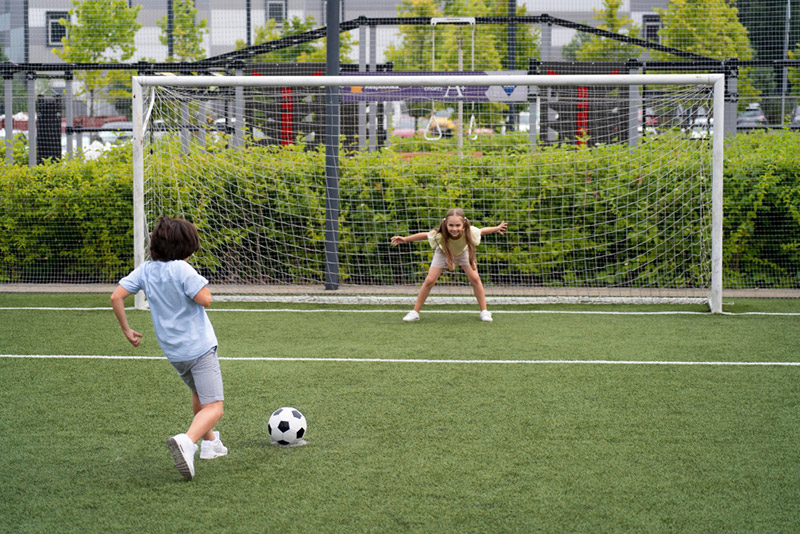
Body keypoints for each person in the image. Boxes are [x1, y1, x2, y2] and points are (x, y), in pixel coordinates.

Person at [110, 216, 226, 481]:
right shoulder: (183, 270)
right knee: (216, 407)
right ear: (186, 248)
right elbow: (205, 299)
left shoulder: (146, 270)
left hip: (175, 353)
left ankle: (211, 444)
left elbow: (116, 296)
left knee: (200, 394)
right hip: (199, 348)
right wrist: (199, 283)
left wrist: (127, 330)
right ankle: (188, 441)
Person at [391, 208, 508, 322]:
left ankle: (484, 311)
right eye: (451, 225)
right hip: (443, 252)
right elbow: (424, 235)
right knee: (429, 280)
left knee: (475, 278)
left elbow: (483, 230)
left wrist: (497, 228)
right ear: (445, 224)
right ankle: (415, 312)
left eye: (458, 225)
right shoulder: (439, 234)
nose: (454, 228)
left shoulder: (470, 232)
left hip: (463, 252)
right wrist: (405, 239)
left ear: (463, 224)